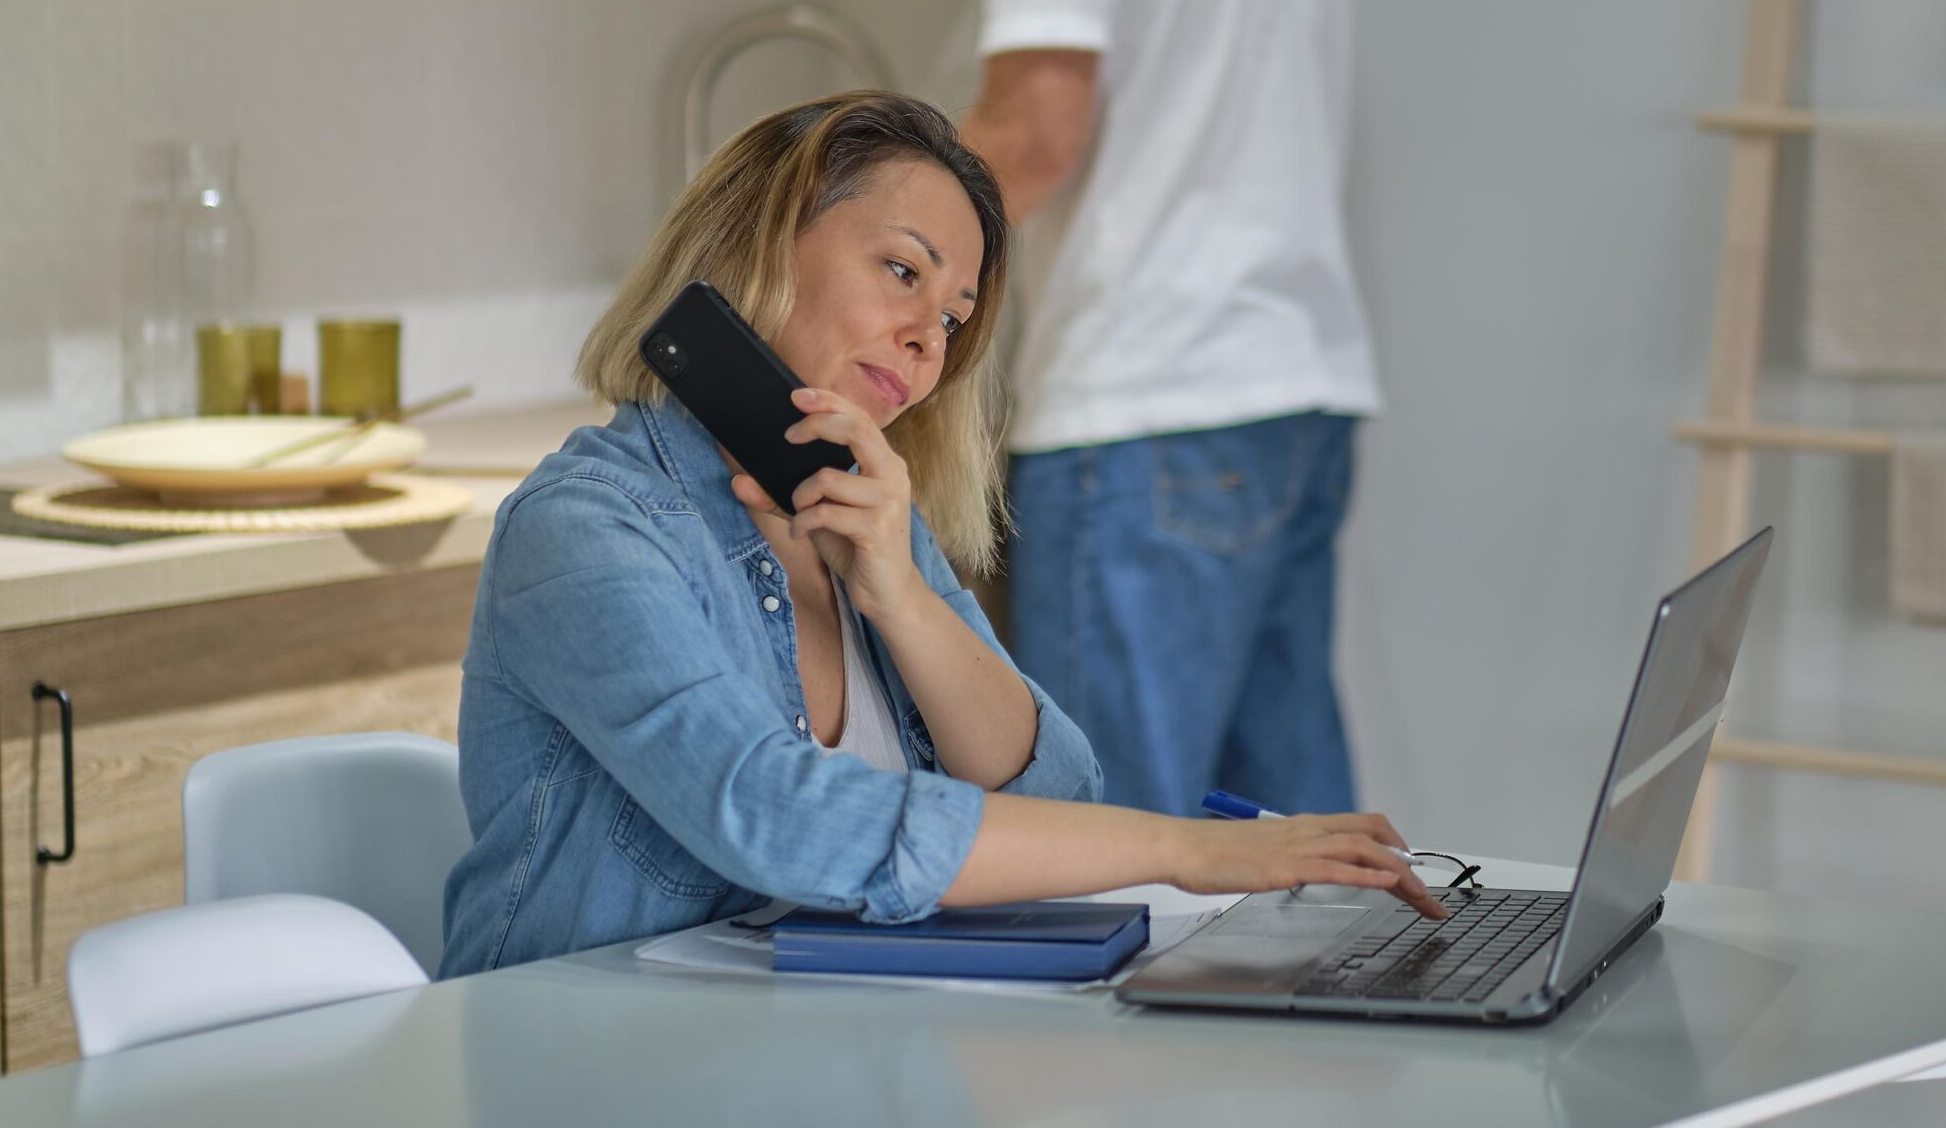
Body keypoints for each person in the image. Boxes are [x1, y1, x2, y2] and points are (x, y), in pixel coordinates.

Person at [438, 92, 1437, 975]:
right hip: (590, 1062)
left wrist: (904, 599)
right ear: (758, 243)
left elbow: (1060, 792)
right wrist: (1185, 848)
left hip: (800, 1052)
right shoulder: (587, 527)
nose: (928, 339)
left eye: (955, 318)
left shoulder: (867, 516)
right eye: (901, 270)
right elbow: (777, 816)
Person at [877, 0, 1383, 817]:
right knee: (1293, 855)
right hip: (1298, 387)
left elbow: (1034, 133)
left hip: (1147, 408)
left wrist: (872, 283)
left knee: (1105, 850)